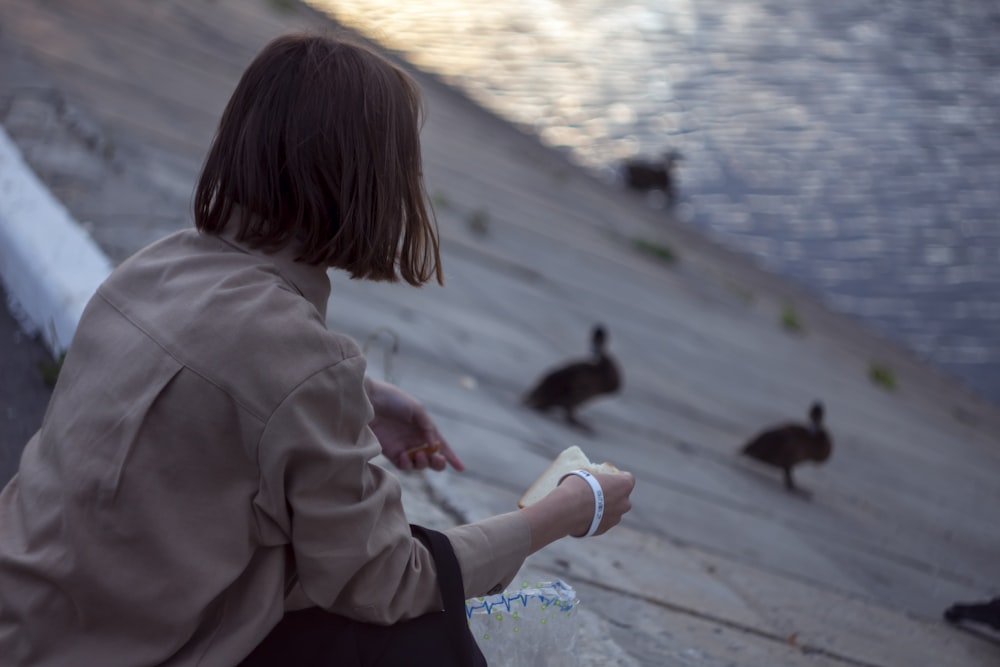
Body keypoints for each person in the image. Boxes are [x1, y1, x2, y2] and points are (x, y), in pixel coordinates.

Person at [0, 31, 635, 667]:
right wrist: (567, 510)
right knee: (417, 635)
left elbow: (215, 391)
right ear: (371, 184)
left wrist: (357, 398)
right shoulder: (303, 362)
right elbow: (390, 580)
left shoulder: (154, 267)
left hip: (25, 621)